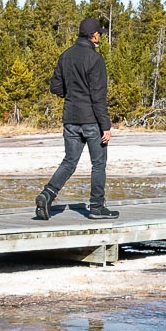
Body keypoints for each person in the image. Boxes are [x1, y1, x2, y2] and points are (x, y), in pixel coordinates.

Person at [35, 17, 119, 221]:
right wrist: (106, 126)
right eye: (99, 33)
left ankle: (47, 195)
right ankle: (97, 207)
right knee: (98, 164)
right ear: (94, 35)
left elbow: (55, 87)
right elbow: (98, 96)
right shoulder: (95, 59)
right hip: (91, 120)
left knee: (69, 162)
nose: (100, 36)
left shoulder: (65, 56)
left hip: (71, 118)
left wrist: (72, 94)